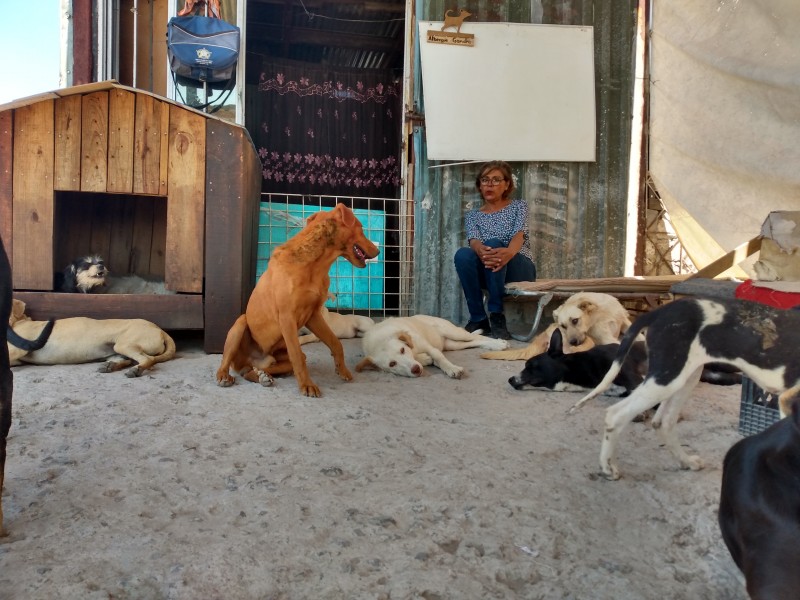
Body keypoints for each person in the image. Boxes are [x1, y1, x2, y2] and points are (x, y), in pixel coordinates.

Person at [453, 161, 536, 340]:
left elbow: (519, 235)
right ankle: (478, 318)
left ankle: (496, 314)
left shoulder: (518, 206)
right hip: (490, 266)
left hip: (518, 266)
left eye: (496, 180)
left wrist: (508, 253)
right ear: (480, 186)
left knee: (494, 242)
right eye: (485, 180)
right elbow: (474, 240)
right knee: (463, 254)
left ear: (506, 184)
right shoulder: (473, 215)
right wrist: (481, 250)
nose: (490, 184)